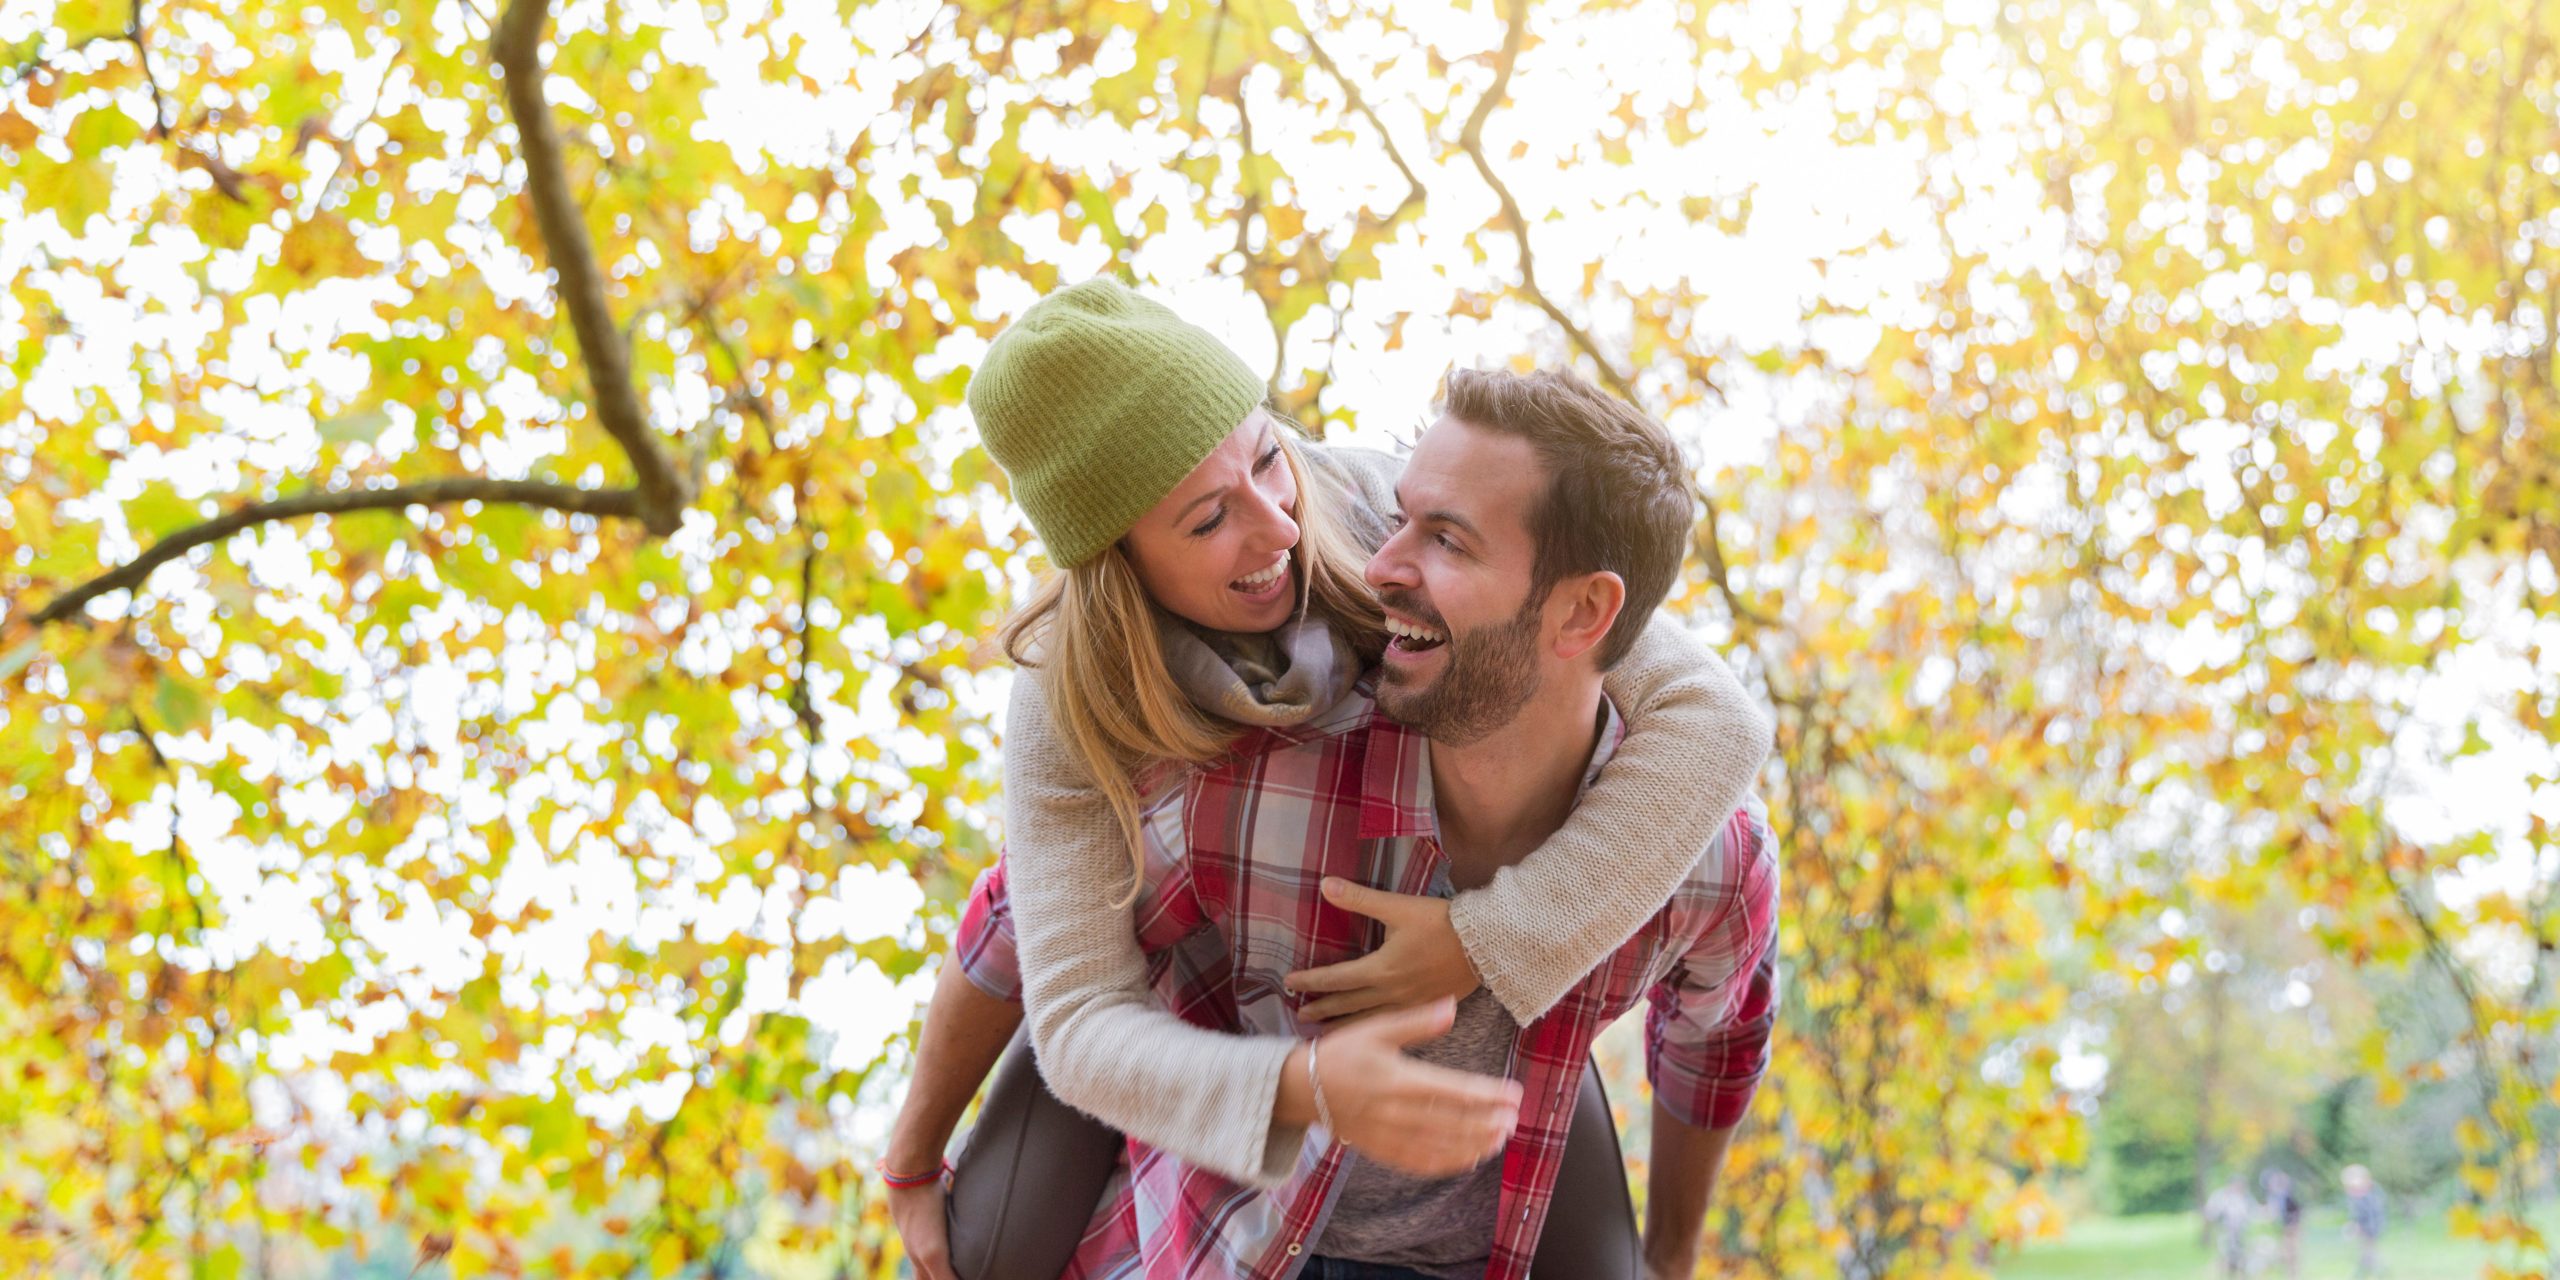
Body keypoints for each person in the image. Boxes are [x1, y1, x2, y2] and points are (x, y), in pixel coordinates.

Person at [883, 282, 1774, 1278]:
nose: (1275, 529)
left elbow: (1710, 712)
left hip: (1482, 1044)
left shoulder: (1363, 511)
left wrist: (1485, 941)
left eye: (1268, 457)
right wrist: (914, 1148)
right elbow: (1039, 942)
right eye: (1210, 517)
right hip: (1221, 1040)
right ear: (1116, 555)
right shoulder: (1074, 704)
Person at [2203, 1175, 2257, 1280]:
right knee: (2226, 1258)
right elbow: (2210, 1213)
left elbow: (2253, 1212)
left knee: (2241, 1258)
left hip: (2241, 1232)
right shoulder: (2220, 1196)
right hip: (2225, 1232)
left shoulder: (2245, 1197)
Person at [2343, 1164, 2385, 1279]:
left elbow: (2366, 1214)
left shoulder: (2368, 1194)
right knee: (2366, 1251)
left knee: (2368, 1251)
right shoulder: (2359, 1194)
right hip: (2367, 1227)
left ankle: (2369, 1272)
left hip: (2370, 1227)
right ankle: (2365, 1272)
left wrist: (2358, 1226)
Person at [2260, 1169, 2301, 1278]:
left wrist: (2292, 1226)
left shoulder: (2286, 1195)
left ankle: (2292, 1275)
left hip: (2290, 1227)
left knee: (2290, 1254)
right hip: (2280, 1228)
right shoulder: (2273, 1196)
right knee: (2282, 1254)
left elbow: (2295, 1211)